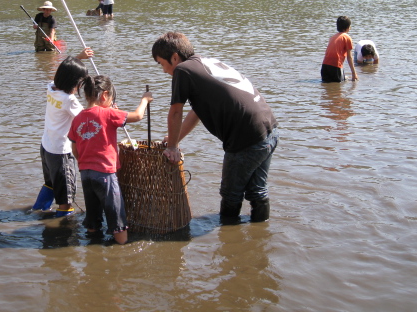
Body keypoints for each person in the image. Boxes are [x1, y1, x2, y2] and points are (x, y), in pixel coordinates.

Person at [151, 32, 278, 223]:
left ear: (175, 57)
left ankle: (229, 242)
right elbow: (196, 113)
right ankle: (258, 240)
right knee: (257, 191)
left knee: (231, 195)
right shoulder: (203, 63)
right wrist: (174, 140)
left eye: (162, 63)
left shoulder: (183, 70)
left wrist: (171, 149)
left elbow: (176, 112)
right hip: (269, 129)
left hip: (245, 138)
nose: (163, 70)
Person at [68, 75, 153, 244]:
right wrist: (145, 100)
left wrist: (85, 162)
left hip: (85, 174)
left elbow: (75, 149)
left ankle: (93, 241)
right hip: (105, 175)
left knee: (93, 216)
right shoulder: (108, 113)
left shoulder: (78, 118)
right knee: (117, 217)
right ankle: (121, 246)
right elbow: (137, 116)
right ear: (105, 95)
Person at [30, 48, 94, 217]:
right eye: (79, 84)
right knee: (66, 198)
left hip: (46, 148)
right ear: (74, 83)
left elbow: (63, 68)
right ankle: (63, 229)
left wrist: (79, 57)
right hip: (61, 153)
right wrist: (105, 108)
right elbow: (88, 118)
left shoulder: (51, 87)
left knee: (51, 183)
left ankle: (38, 211)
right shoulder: (69, 100)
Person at [321, 16, 358, 82]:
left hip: (324, 67)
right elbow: (349, 57)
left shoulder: (332, 37)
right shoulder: (347, 37)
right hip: (336, 67)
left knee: (328, 88)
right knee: (338, 89)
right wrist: (354, 73)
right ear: (348, 27)